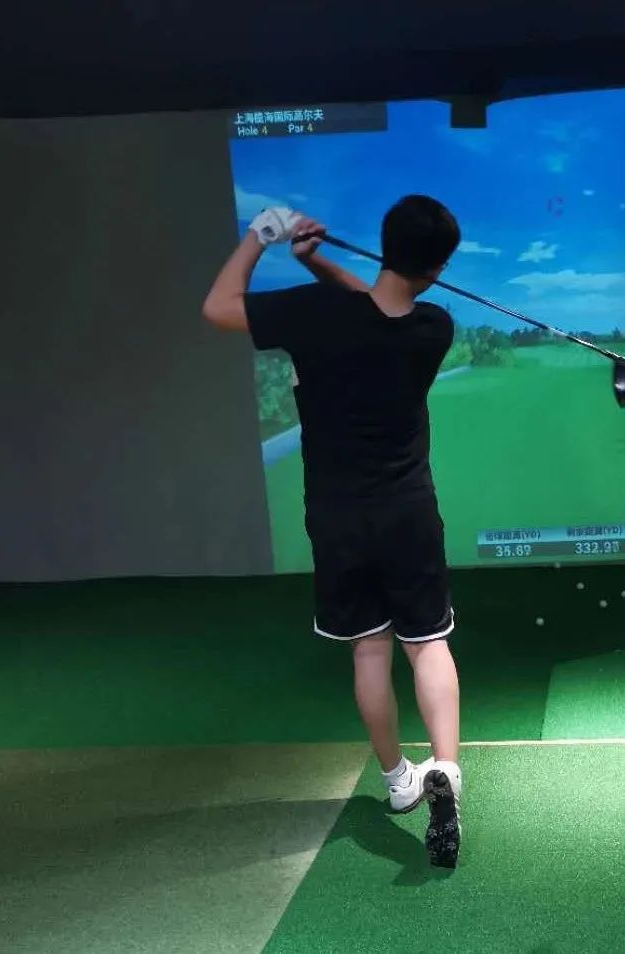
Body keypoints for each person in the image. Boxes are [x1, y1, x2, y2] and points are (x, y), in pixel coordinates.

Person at [202, 196, 463, 868]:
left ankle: (399, 781)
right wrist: (319, 262)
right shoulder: (435, 326)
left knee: (370, 652)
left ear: (383, 243)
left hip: (339, 518)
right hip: (409, 513)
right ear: (437, 269)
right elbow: (379, 309)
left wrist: (261, 237)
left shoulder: (315, 314)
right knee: (427, 645)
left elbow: (219, 307)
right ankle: (446, 770)